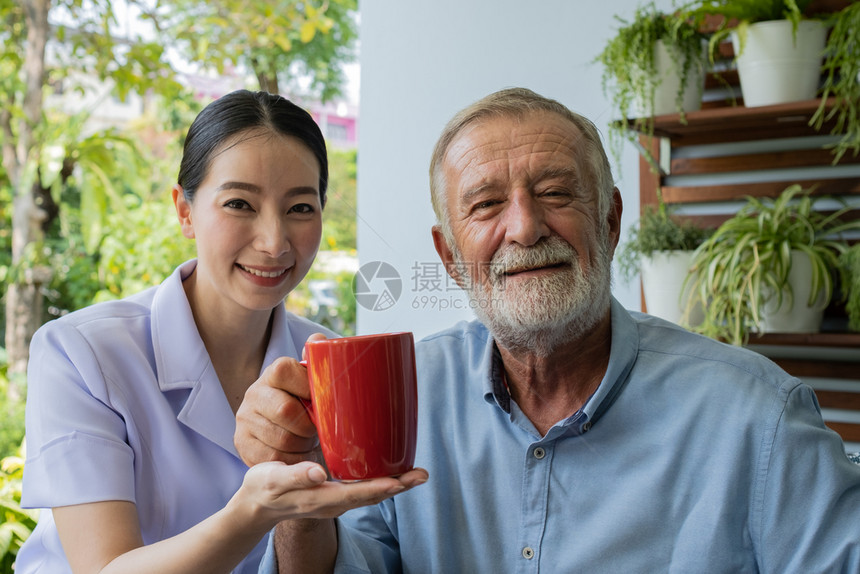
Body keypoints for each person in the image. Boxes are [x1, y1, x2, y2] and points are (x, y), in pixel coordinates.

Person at [235, 87, 860, 573]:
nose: (526, 227)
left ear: (610, 223)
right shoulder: (404, 402)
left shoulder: (758, 416)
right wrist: (299, 505)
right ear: (450, 257)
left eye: (557, 192)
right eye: (485, 205)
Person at [17, 89, 425, 574]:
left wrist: (308, 515)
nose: (274, 243)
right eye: (239, 204)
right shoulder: (81, 352)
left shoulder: (324, 360)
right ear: (185, 211)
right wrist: (256, 510)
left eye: (300, 208)